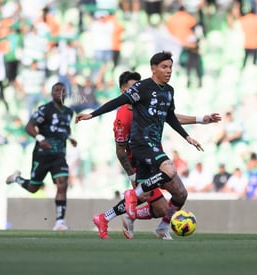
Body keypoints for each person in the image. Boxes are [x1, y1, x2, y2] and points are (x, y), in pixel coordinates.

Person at [75, 51, 208, 239]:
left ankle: (107, 218)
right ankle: (133, 195)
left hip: (154, 147)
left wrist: (188, 137)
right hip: (142, 146)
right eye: (164, 67)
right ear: (153, 69)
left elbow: (170, 116)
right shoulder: (137, 96)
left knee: (177, 195)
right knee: (168, 171)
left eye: (170, 67)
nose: (169, 71)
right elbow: (117, 107)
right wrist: (92, 114)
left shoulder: (168, 91)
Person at [5, 82, 77, 230]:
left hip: (59, 155)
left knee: (62, 183)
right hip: (42, 155)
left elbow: (65, 128)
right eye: (57, 90)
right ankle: (16, 178)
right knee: (33, 188)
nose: (60, 92)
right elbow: (29, 126)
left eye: (63, 90)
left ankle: (60, 222)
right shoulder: (45, 110)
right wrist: (40, 139)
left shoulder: (69, 112)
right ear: (52, 93)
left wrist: (70, 138)